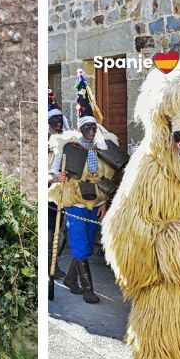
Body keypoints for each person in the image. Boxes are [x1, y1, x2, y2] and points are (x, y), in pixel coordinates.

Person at [48, 71, 121, 303]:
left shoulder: (101, 149)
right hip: (75, 202)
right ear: (80, 128)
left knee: (88, 244)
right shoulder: (67, 147)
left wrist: (104, 202)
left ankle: (71, 279)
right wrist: (56, 177)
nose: (91, 129)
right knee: (79, 242)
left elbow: (105, 177)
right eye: (87, 126)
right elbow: (50, 173)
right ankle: (88, 289)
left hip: (95, 202)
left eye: (93, 126)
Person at [47, 88, 69, 279]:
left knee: (60, 230)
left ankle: (54, 262)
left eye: (60, 119)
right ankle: (50, 265)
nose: (58, 122)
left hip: (63, 191)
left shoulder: (65, 140)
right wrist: (53, 178)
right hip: (49, 191)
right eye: (54, 119)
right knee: (50, 230)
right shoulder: (46, 141)